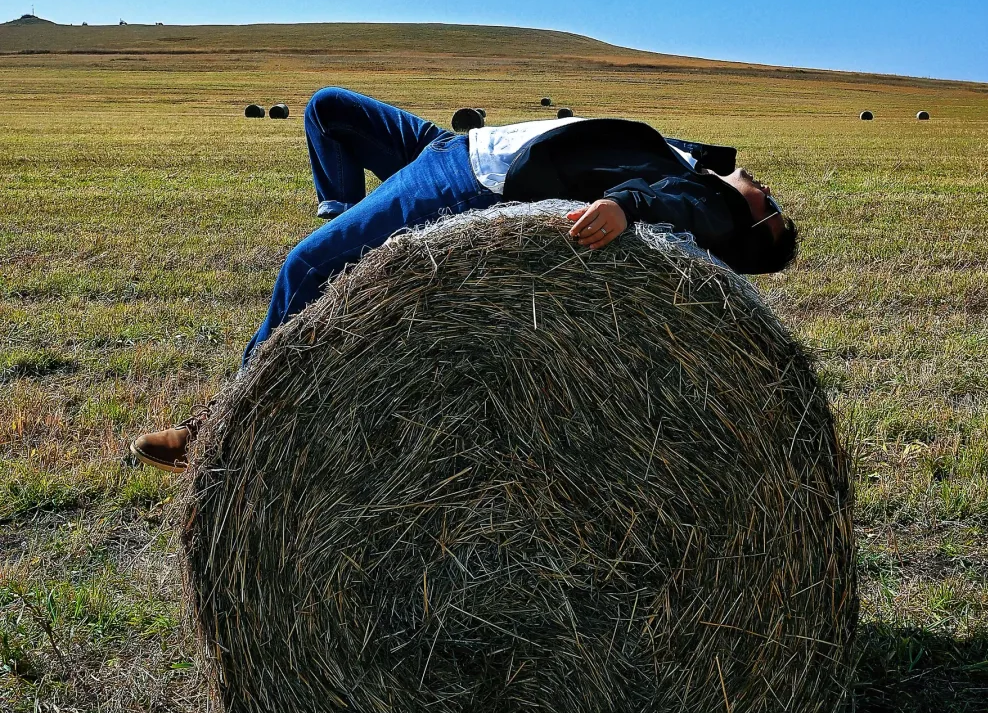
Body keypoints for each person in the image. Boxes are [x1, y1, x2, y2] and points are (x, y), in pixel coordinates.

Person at [131, 88, 797, 472]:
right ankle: (350, 266)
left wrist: (628, 206)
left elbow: (686, 206)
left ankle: (217, 429)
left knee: (302, 266)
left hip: (466, 180)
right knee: (328, 111)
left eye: (767, 203)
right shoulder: (694, 162)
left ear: (751, 225)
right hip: (451, 148)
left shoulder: (710, 201)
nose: (763, 186)